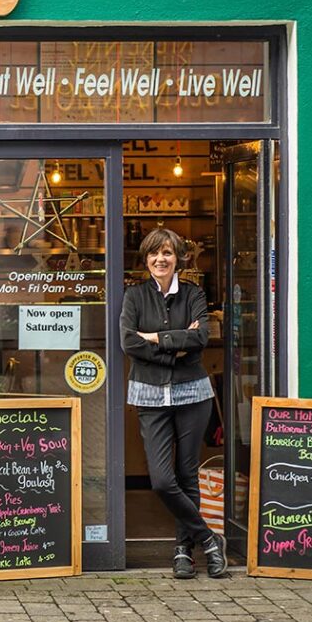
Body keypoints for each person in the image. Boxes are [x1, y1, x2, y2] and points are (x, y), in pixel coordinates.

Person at [120, 227, 228, 579]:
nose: (160, 260)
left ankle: (184, 550)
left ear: (178, 257)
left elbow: (199, 337)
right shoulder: (134, 297)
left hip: (192, 394)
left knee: (187, 475)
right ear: (146, 259)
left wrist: (154, 339)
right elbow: (128, 343)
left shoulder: (195, 294)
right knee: (163, 480)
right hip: (151, 395)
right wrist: (174, 348)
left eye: (167, 253)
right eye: (154, 254)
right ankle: (210, 540)